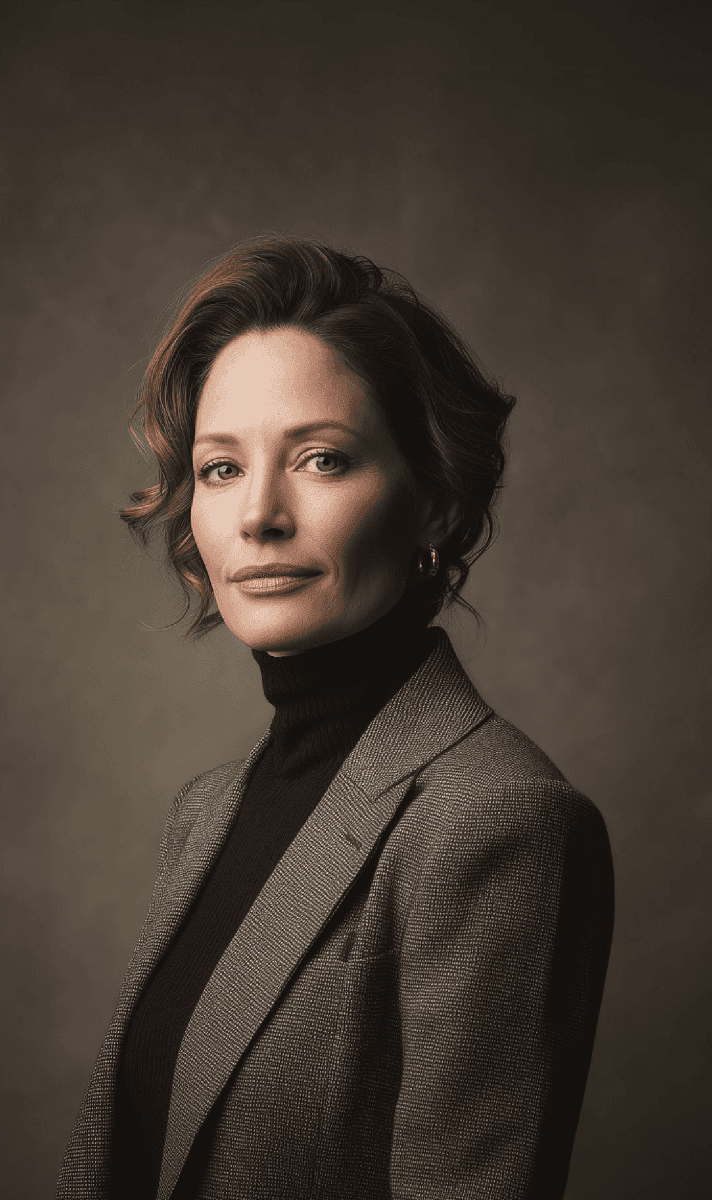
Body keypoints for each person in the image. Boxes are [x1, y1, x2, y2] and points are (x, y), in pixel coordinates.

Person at [56, 237, 614, 1200]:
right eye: (221, 469)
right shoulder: (205, 812)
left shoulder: (497, 821)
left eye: (322, 459)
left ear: (434, 503)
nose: (259, 515)